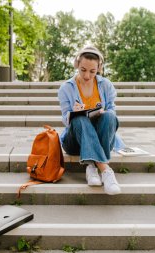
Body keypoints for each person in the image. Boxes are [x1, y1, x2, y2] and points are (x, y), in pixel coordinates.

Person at [57, 46, 125, 195]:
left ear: (99, 68)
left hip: (102, 136)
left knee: (110, 117)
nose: (87, 75)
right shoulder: (66, 88)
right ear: (76, 65)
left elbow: (112, 111)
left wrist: (104, 112)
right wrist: (73, 113)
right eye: (83, 70)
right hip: (75, 140)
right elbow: (65, 120)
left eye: (92, 71)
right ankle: (106, 170)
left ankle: (91, 167)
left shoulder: (106, 85)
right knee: (79, 119)